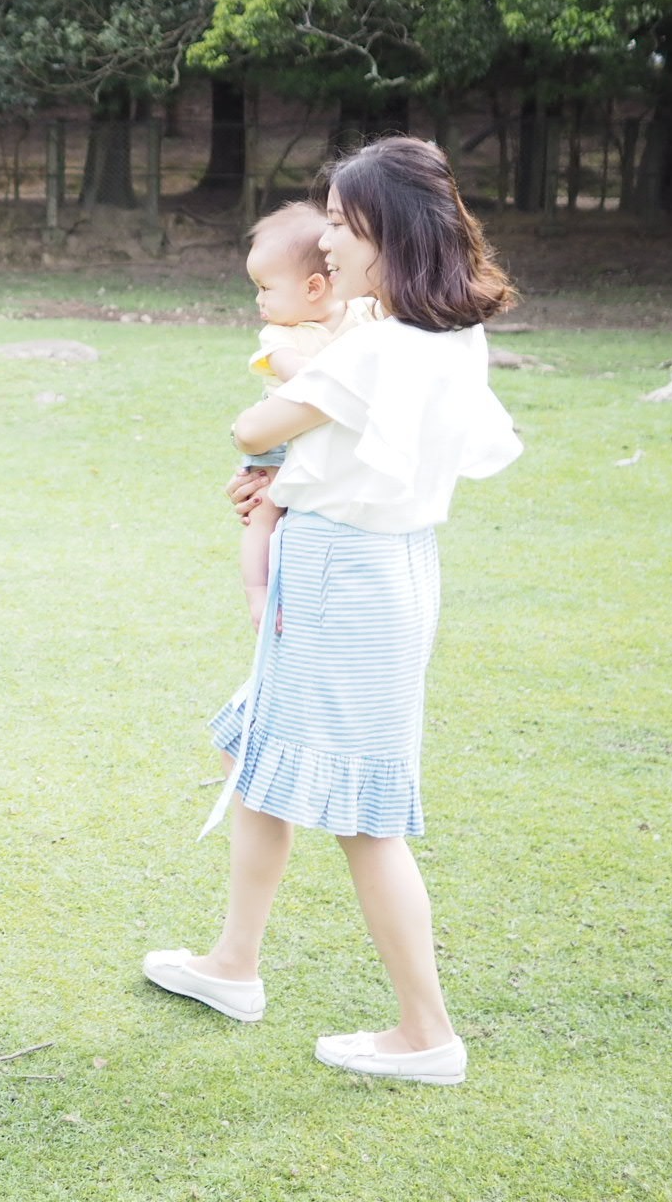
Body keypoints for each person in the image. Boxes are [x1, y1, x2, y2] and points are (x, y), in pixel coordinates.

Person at [143, 136, 521, 1087]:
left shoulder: (381, 345)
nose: (330, 250)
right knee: (259, 750)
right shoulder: (447, 331)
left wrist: (273, 466)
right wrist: (282, 489)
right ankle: (234, 964)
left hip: (345, 577)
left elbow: (254, 424)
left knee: (364, 815)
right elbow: (346, 449)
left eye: (346, 228)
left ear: (386, 232)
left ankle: (425, 1032)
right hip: (380, 564)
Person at [236, 202, 376, 630]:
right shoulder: (279, 333)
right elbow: (300, 379)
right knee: (263, 509)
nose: (258, 300)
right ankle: (258, 595)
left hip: (332, 457)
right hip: (280, 438)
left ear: (314, 287)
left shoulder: (363, 313)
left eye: (265, 288)